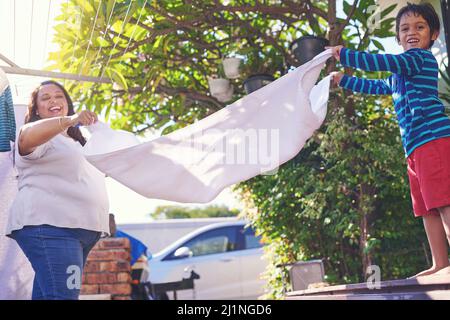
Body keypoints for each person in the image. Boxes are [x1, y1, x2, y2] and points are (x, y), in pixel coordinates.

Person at [327, 3, 450, 277]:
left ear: (434, 34)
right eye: (405, 28)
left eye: (420, 27)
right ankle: (440, 264)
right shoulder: (400, 74)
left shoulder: (418, 59)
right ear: (398, 36)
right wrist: (344, 80)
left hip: (434, 140)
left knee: (443, 201)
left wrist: (344, 54)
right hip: (415, 148)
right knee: (426, 208)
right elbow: (377, 86)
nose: (412, 33)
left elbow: (383, 62)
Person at [6, 80, 110, 299]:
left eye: (59, 96)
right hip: (52, 227)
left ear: (67, 103)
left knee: (48, 295)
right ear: (36, 110)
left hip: (81, 230)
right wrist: (69, 120)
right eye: (45, 98)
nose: (53, 100)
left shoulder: (77, 142)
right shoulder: (38, 135)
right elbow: (25, 136)